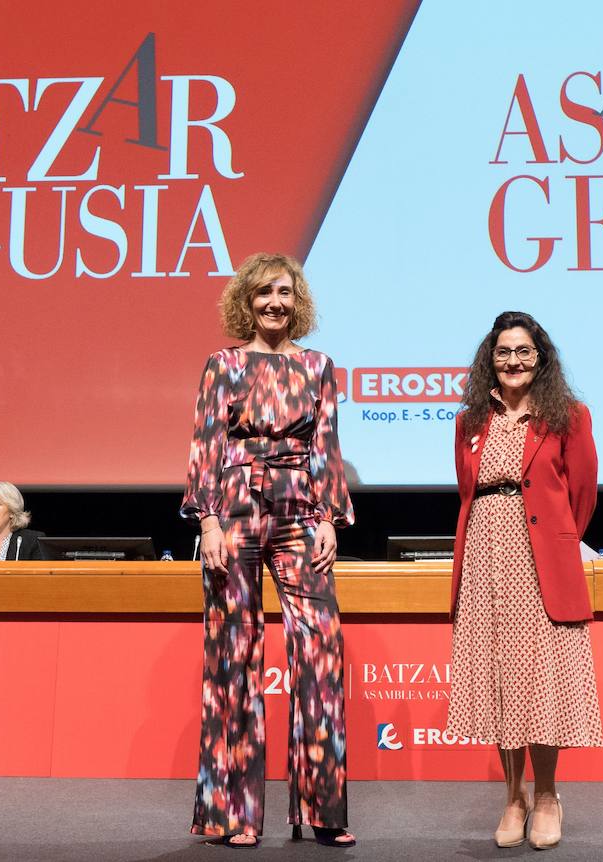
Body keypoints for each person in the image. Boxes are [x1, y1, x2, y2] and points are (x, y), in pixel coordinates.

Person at [181, 252, 355, 848]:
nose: (274, 303)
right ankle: (233, 813)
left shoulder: (319, 365)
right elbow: (206, 442)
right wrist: (206, 521)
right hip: (231, 508)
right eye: (263, 294)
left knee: (321, 652)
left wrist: (332, 513)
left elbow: (328, 442)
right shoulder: (223, 363)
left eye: (284, 292)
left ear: (297, 299)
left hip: (301, 508)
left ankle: (324, 811)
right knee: (234, 654)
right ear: (246, 302)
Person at [446, 310, 602, 851]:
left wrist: (555, 544)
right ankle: (512, 798)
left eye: (524, 352)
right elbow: (467, 492)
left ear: (541, 358)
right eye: (504, 352)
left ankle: (547, 796)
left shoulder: (569, 416)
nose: (513, 362)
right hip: (485, 561)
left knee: (540, 684)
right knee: (500, 682)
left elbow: (581, 496)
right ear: (490, 360)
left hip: (539, 565)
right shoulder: (469, 421)